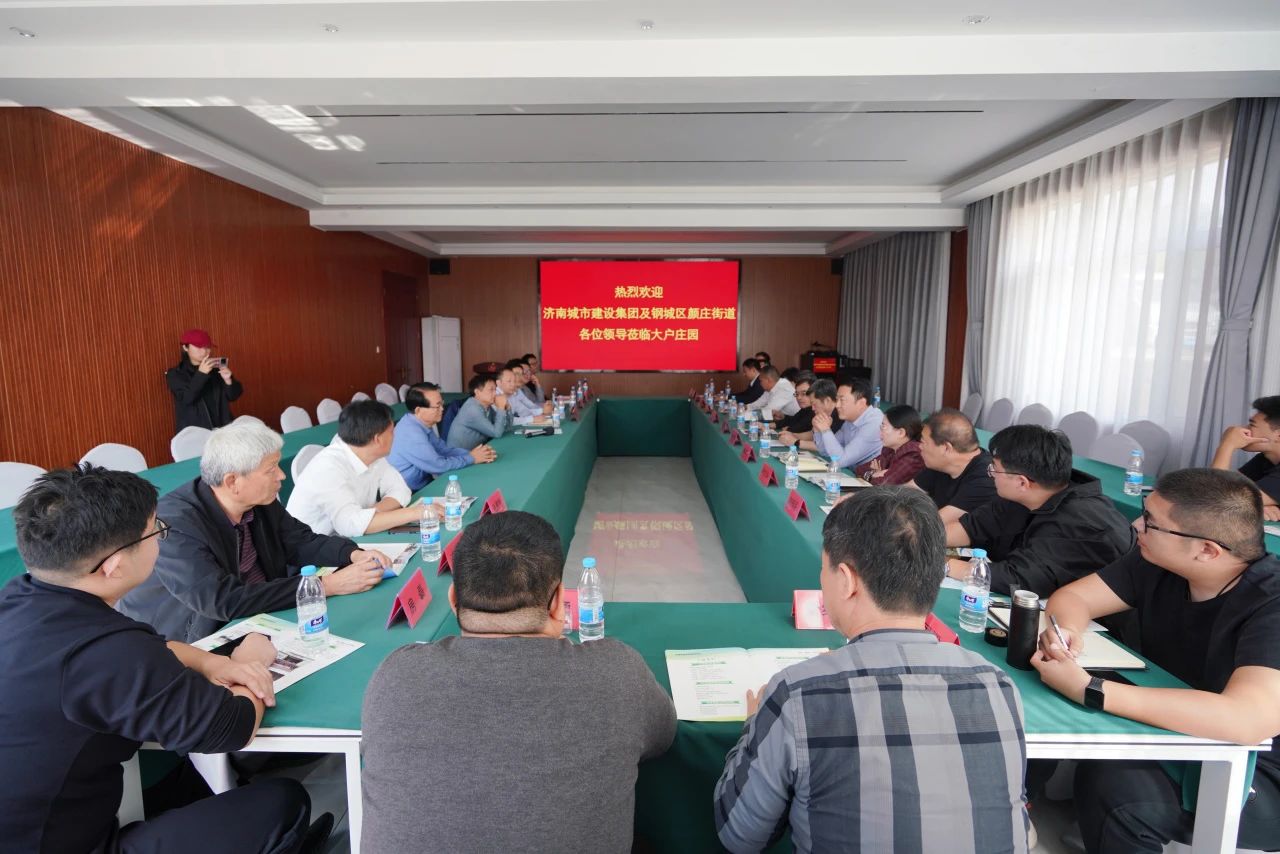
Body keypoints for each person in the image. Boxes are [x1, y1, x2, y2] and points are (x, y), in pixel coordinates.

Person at [0, 464, 324, 853]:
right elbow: (231, 726)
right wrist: (251, 662)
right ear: (114, 566)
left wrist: (213, 662)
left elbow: (149, 647)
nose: (161, 538)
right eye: (156, 531)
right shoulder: (111, 652)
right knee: (283, 801)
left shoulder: (18, 597)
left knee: (186, 783)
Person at [713, 487, 1030, 853]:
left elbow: (740, 836)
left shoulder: (797, 693)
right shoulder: (998, 685)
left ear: (846, 581)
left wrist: (753, 724)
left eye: (823, 569)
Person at [361, 510, 677, 853]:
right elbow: (664, 736)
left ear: (453, 600)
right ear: (558, 603)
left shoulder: (395, 677)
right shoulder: (618, 673)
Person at [1034, 468, 1280, 853]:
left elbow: (1247, 720)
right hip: (1183, 731)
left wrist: (1091, 689)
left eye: (1150, 521)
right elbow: (1074, 597)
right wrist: (1067, 632)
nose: (1136, 525)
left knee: (1117, 788)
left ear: (1207, 550)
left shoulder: (1271, 603)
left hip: (1261, 770)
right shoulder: (1158, 562)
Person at [117, 421, 388, 642]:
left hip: (257, 614)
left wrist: (352, 554)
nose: (281, 476)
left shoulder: (258, 501)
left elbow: (299, 540)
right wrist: (325, 586)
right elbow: (221, 600)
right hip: (193, 636)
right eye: (271, 469)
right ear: (232, 481)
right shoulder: (176, 525)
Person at [944, 425, 1135, 596]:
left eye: (995, 469)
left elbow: (1020, 579)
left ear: (1022, 482)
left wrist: (944, 565)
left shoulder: (1078, 521)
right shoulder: (1025, 495)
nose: (991, 474)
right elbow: (971, 527)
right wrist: (926, 541)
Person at [286, 400, 436, 537]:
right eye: (391, 431)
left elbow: (401, 490)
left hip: (343, 540)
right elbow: (349, 525)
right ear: (378, 439)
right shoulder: (328, 468)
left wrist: (370, 515)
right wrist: (416, 513)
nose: (395, 435)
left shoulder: (372, 454)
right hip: (310, 549)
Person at [389, 382, 497, 490]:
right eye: (437, 406)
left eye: (442, 404)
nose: (442, 409)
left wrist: (474, 454)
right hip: (409, 492)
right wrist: (471, 458)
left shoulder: (420, 423)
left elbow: (443, 450)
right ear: (418, 410)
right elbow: (438, 465)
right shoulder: (411, 434)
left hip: (424, 482)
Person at [908, 408, 998, 523]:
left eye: (923, 442)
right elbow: (906, 493)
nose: (919, 447)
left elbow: (933, 524)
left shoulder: (986, 478)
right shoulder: (939, 463)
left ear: (946, 448)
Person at [1211, 395, 1280, 521]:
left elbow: (1217, 497)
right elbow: (1226, 489)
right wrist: (1256, 504)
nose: (1243, 429)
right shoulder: (1265, 459)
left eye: (1252, 425)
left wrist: (1227, 445)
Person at [166, 328, 243, 432]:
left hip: (222, 430)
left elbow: (233, 396)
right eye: (198, 347)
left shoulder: (216, 369)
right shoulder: (175, 374)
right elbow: (187, 398)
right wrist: (201, 374)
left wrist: (228, 380)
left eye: (207, 347)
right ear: (185, 347)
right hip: (196, 432)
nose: (204, 351)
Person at [813, 377, 884, 470]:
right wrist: (818, 430)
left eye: (842, 400)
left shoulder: (874, 423)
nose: (837, 405)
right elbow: (824, 451)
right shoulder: (851, 420)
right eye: (837, 400)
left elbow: (840, 461)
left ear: (861, 403)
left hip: (868, 477)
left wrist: (826, 430)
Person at [856, 403, 924, 485]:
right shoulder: (890, 450)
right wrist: (873, 474)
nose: (880, 432)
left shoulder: (913, 454)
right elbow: (860, 469)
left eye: (883, 427)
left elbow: (885, 484)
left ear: (901, 433)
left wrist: (872, 476)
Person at [447, 373, 511, 449]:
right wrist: (500, 408)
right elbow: (496, 433)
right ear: (477, 392)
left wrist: (507, 408)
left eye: (495, 390)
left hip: (475, 451)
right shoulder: (472, 409)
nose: (495, 394)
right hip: (459, 455)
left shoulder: (487, 406)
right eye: (491, 390)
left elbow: (506, 427)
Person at [778, 378, 841, 452]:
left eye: (814, 404)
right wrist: (793, 435)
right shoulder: (824, 413)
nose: (812, 409)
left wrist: (796, 442)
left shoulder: (841, 417)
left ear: (827, 401)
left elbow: (829, 446)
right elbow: (813, 435)